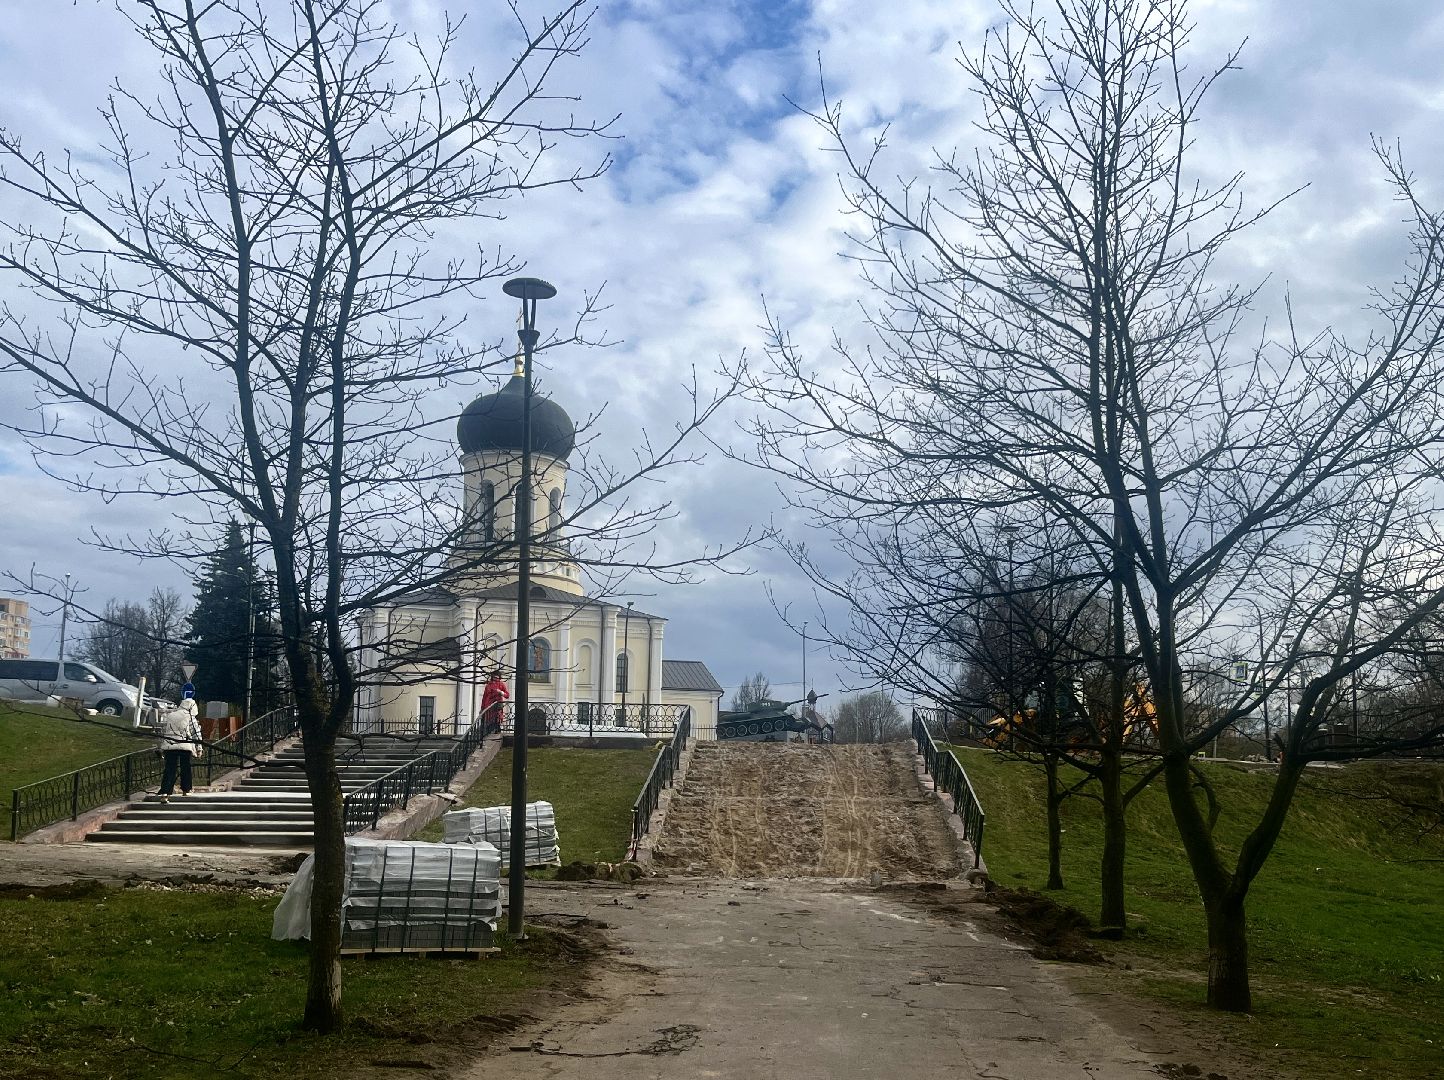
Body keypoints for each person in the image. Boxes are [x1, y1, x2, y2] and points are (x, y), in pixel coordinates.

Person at [156, 698, 202, 802]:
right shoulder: (190, 717)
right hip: (184, 746)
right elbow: (196, 733)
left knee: (169, 769)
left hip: (169, 746)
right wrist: (199, 748)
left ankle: (165, 792)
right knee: (185, 768)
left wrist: (160, 747)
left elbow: (163, 730)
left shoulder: (171, 715)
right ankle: (186, 789)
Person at [480, 670, 510, 735]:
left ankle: (496, 730)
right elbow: (484, 697)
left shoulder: (501, 684)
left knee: (497, 718)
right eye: (494, 677)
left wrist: (501, 692)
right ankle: (489, 731)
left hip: (497, 704)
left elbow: (507, 695)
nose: (495, 678)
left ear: (499, 677)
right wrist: (482, 708)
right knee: (488, 719)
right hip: (488, 705)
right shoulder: (488, 685)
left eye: (497, 677)